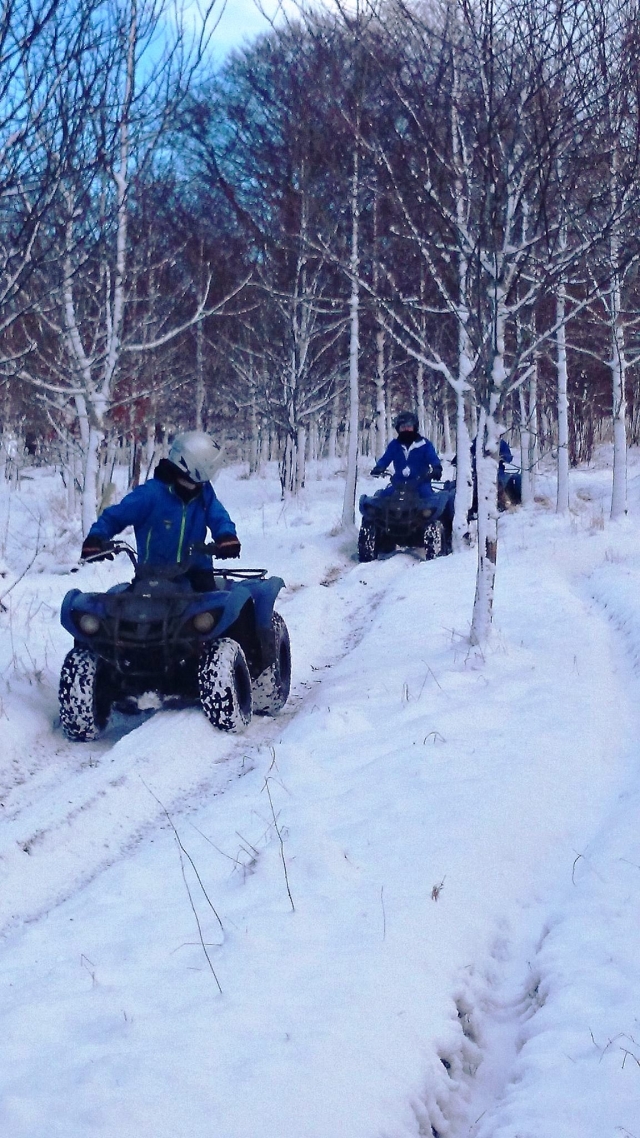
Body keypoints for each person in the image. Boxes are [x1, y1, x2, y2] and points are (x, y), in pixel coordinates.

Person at [80, 430, 241, 591]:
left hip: (197, 573)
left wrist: (226, 536)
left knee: (213, 611)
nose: (209, 475)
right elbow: (115, 516)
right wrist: (96, 537)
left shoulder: (204, 493)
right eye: (208, 467)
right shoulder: (151, 494)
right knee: (129, 611)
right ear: (193, 464)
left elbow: (219, 516)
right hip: (153, 575)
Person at [369, 410, 454, 546]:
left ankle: (445, 533)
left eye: (409, 426)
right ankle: (379, 534)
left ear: (414, 427)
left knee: (432, 505)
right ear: (398, 429)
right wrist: (379, 467)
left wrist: (436, 468)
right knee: (380, 501)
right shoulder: (394, 445)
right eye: (403, 427)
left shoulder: (424, 445)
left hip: (421, 483)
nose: (406, 429)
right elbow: (385, 458)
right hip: (398, 484)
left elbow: (433, 458)